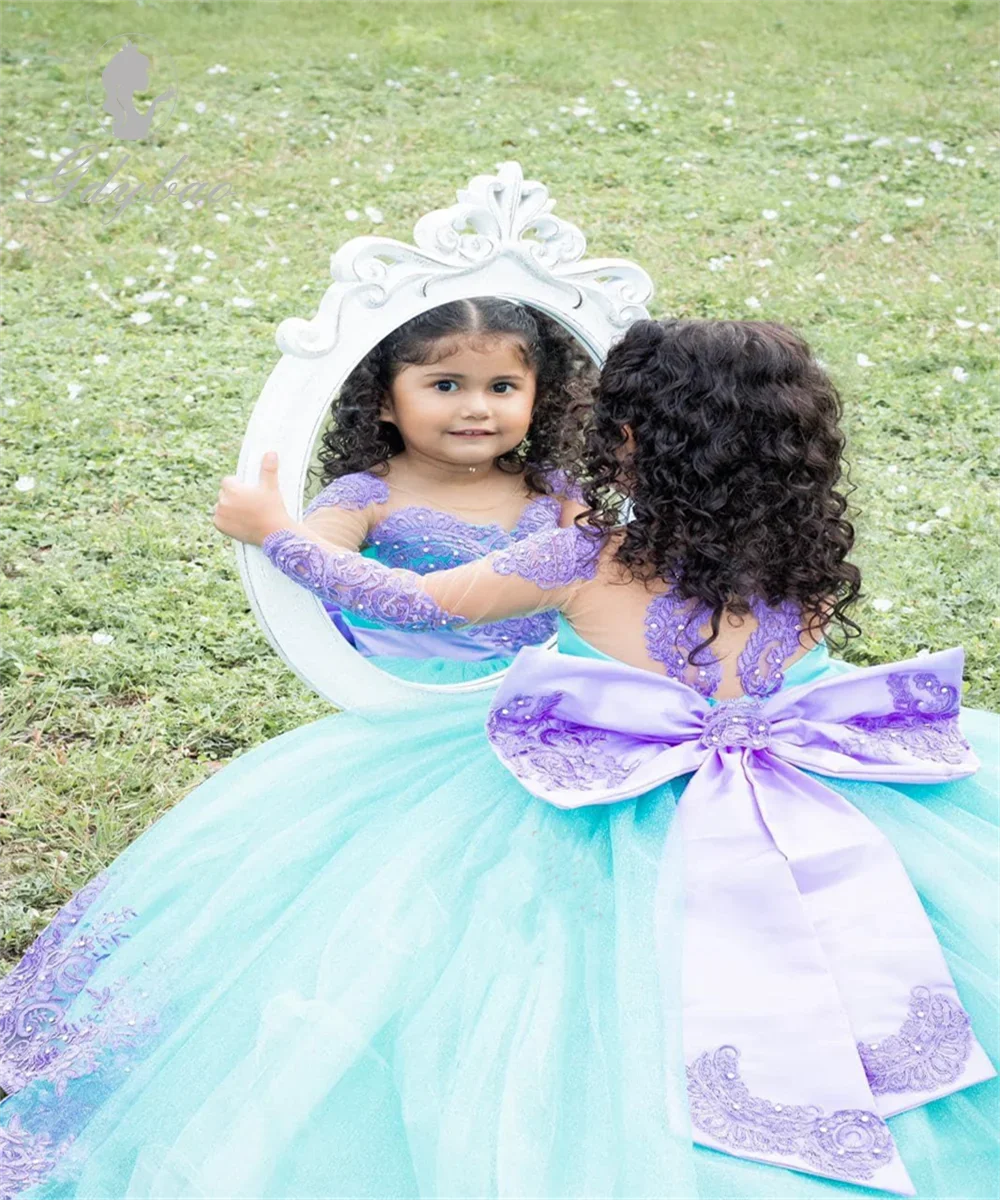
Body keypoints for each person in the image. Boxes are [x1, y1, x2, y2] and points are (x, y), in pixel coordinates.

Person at [1, 320, 996, 1199]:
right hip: (803, 789)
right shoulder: (804, 563)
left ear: (638, 440)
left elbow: (410, 602)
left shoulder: (585, 555)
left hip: (591, 806)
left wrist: (277, 535)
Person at [297, 295, 594, 683]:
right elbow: (307, 562)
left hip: (560, 689)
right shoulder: (364, 496)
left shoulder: (557, 491)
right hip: (423, 698)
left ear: (538, 399)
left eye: (502, 387)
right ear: (384, 401)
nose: (476, 408)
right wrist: (267, 527)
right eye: (446, 385)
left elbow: (605, 581)